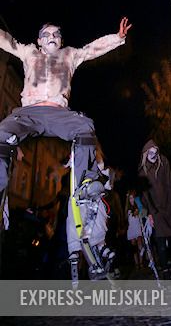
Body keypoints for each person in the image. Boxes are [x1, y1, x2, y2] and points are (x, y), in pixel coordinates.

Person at [0, 18, 131, 275]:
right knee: (3, 131)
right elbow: (8, 43)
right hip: (29, 113)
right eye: (47, 34)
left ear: (61, 40)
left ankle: (83, 184)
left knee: (85, 127)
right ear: (39, 40)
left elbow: (91, 50)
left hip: (60, 114)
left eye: (57, 35)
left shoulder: (69, 55)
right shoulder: (29, 52)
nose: (52, 37)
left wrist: (116, 38)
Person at [138, 139, 171, 280]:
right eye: (150, 152)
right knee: (161, 240)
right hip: (155, 209)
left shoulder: (163, 162)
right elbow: (144, 193)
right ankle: (166, 272)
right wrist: (148, 212)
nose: (153, 155)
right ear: (145, 153)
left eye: (155, 152)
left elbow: (169, 180)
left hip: (169, 205)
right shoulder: (142, 169)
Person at [125, 190, 144, 269]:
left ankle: (141, 262)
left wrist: (137, 212)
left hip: (138, 227)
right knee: (134, 248)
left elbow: (140, 214)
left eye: (132, 198)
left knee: (140, 245)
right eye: (130, 198)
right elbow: (126, 219)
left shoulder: (137, 207)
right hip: (131, 229)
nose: (131, 200)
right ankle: (136, 264)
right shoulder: (127, 209)